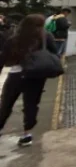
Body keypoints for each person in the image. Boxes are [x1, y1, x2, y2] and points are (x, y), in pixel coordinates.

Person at [0, 14, 59, 147]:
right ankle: (27, 135)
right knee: (31, 105)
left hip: (16, 75)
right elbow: (54, 53)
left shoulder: (14, 38)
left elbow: (3, 58)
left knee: (6, 103)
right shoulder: (46, 36)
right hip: (36, 76)